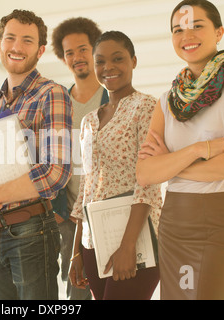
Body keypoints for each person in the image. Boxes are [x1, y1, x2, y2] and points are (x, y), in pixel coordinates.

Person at [136, 0, 224, 300]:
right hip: (175, 220)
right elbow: (145, 173)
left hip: (221, 218)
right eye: (178, 29)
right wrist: (198, 150)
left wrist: (171, 165)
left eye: (197, 26)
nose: (186, 35)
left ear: (219, 32)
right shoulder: (167, 100)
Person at [0, 9, 73, 300]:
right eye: (10, 38)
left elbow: (55, 172)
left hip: (31, 232)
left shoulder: (52, 95)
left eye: (27, 41)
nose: (17, 47)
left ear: (40, 50)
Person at [69, 31, 162, 300]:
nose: (108, 67)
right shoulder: (88, 121)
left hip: (136, 237)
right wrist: (77, 251)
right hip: (93, 239)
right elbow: (85, 187)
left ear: (133, 61)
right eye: (100, 61)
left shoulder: (146, 107)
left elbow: (149, 181)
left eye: (118, 59)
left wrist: (128, 245)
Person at [51, 17, 107, 300]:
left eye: (82, 49)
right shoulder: (58, 102)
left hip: (105, 210)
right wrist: (59, 208)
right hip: (67, 214)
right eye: (69, 52)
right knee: (77, 290)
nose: (76, 57)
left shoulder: (113, 98)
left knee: (111, 285)